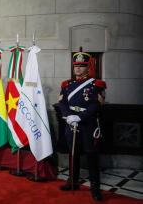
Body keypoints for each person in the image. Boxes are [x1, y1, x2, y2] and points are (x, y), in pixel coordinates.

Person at [57, 49, 106, 201]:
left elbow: (96, 106)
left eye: (81, 66)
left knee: (91, 154)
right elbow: (62, 102)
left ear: (87, 67)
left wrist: (79, 117)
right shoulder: (66, 84)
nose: (77, 68)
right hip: (71, 123)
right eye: (75, 66)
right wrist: (68, 116)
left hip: (88, 124)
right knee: (73, 153)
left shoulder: (96, 84)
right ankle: (73, 181)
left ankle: (95, 186)